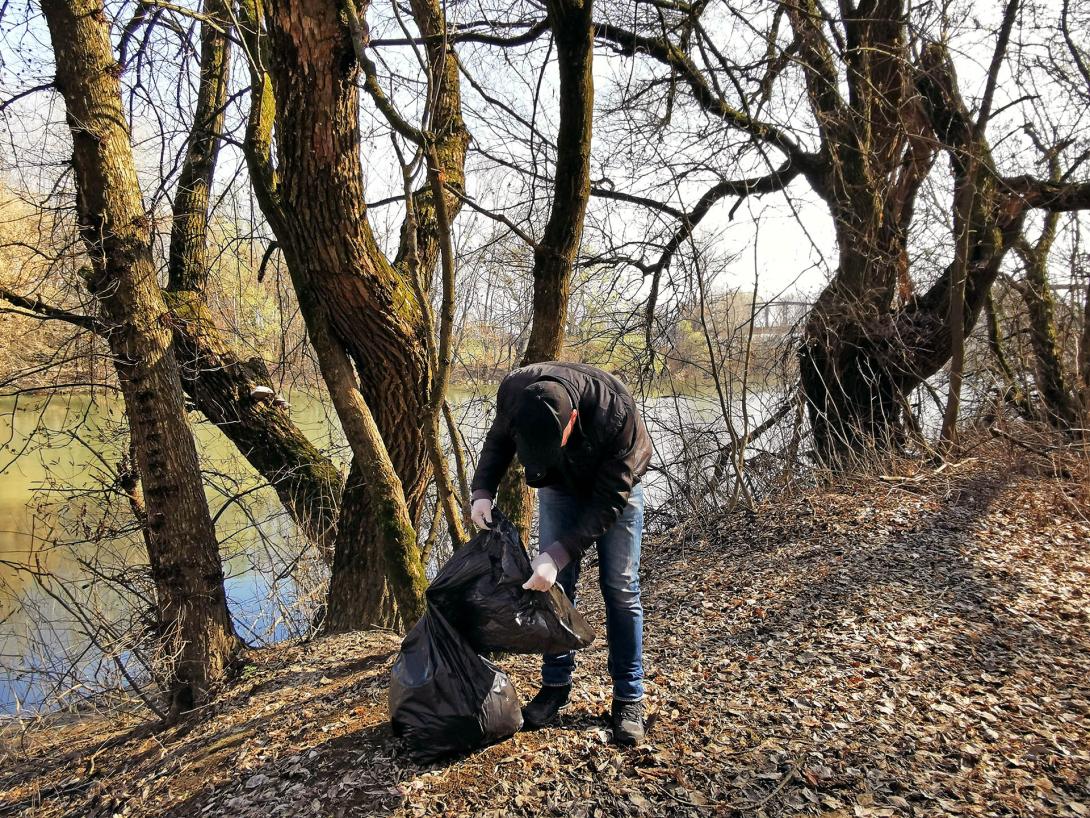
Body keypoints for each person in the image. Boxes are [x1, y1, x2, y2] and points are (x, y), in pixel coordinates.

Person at [469, 361, 653, 746]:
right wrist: (482, 491)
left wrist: (558, 553)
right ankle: (555, 685)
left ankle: (629, 697)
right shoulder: (514, 393)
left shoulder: (616, 411)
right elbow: (498, 441)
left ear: (570, 421)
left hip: (615, 489)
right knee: (554, 587)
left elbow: (609, 502)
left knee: (620, 587)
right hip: (560, 485)